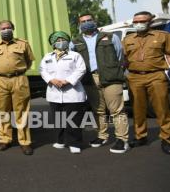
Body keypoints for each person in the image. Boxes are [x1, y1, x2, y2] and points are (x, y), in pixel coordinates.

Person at [70, 13, 129, 154]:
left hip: (110, 77)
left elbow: (120, 55)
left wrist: (112, 70)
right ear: (79, 25)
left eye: (89, 20)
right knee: (98, 110)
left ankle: (122, 139)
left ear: (95, 21)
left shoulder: (110, 37)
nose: (86, 23)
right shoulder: (75, 42)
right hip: (89, 79)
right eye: (83, 21)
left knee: (117, 110)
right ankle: (102, 136)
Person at [122, 11, 170, 154]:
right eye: (135, 21)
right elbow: (124, 58)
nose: (138, 24)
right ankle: (140, 136)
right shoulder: (128, 39)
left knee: (162, 108)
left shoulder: (162, 36)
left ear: (150, 22)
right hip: (135, 77)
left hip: (156, 76)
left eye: (141, 21)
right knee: (138, 109)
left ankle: (167, 138)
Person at [0, 20, 35, 155]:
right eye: (3, 28)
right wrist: (2, 72)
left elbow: (29, 61)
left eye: (8, 28)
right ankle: (5, 139)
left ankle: (25, 142)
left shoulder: (23, 44)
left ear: (13, 29)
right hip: (0, 80)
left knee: (22, 111)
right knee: (3, 111)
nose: (6, 30)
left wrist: (17, 71)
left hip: (19, 79)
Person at [40, 31, 86, 154]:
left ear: (67, 41)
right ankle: (61, 141)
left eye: (63, 39)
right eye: (58, 40)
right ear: (53, 43)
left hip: (72, 92)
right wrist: (51, 80)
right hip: (54, 92)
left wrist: (67, 81)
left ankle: (75, 143)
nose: (60, 42)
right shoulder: (47, 56)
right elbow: (43, 70)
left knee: (73, 119)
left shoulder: (75, 55)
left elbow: (81, 70)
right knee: (58, 119)